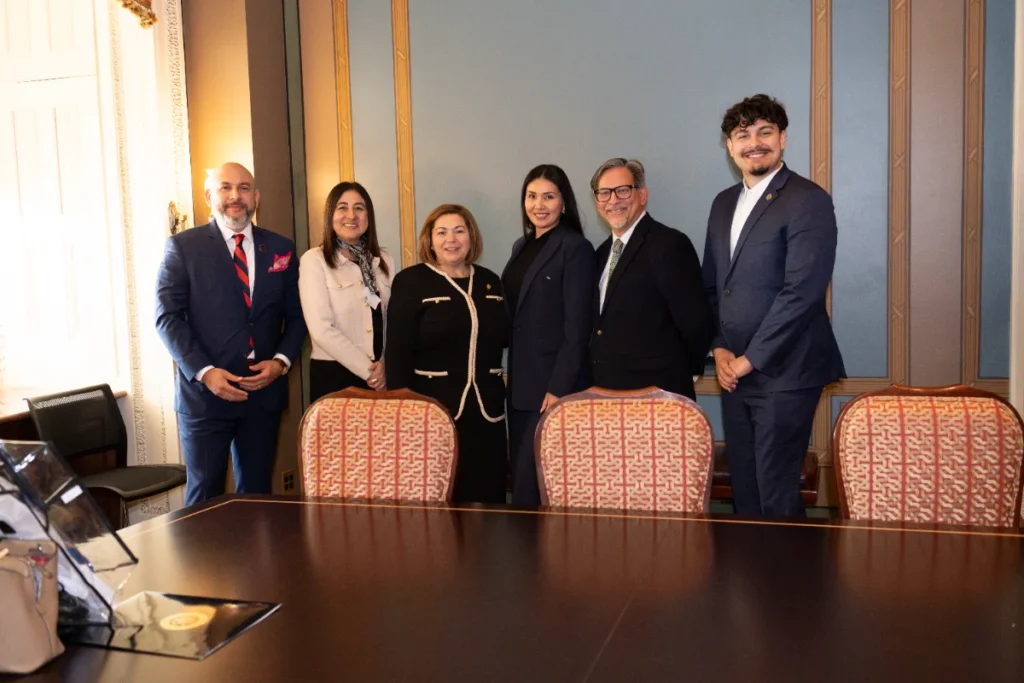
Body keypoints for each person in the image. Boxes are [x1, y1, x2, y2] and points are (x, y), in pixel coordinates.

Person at [702, 94, 846, 517]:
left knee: (777, 495)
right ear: (730, 147)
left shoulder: (807, 200)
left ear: (782, 139)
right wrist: (720, 348)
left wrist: (751, 359)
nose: (754, 143)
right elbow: (713, 286)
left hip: (786, 372)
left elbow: (801, 292)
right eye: (742, 135)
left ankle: (787, 583)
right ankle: (749, 582)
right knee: (745, 491)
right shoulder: (722, 203)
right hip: (734, 372)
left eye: (764, 132)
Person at [155, 162, 307, 505]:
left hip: (262, 396)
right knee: (204, 497)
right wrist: (205, 373)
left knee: (256, 499)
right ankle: (202, 563)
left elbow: (297, 318)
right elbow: (167, 318)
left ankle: (255, 562)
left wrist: (280, 364)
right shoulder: (182, 248)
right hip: (206, 398)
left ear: (256, 197)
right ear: (210, 196)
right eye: (225, 188)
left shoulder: (281, 249)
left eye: (243, 188)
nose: (235, 196)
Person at [385, 204, 509, 504]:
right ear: (429, 240)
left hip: (487, 414)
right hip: (433, 410)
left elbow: (503, 339)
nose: (450, 239)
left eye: (459, 230)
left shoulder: (490, 280)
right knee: (440, 500)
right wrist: (403, 409)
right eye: (441, 232)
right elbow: (397, 352)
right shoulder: (411, 281)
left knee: (489, 498)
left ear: (471, 237)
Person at [501, 164, 594, 505]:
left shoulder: (575, 248)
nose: (539, 205)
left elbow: (578, 327)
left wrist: (559, 387)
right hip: (521, 387)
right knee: (525, 485)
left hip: (553, 388)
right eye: (532, 196)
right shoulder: (519, 247)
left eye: (549, 197)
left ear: (564, 203)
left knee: (544, 485)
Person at [589, 158, 712, 399]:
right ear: (597, 202)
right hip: (606, 392)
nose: (613, 200)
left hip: (658, 394)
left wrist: (686, 374)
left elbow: (696, 322)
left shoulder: (670, 244)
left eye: (623, 191)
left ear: (642, 195)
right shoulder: (600, 254)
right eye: (604, 193)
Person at [299, 182, 395, 403]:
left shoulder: (384, 260)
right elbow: (321, 330)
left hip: (380, 376)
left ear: (368, 216)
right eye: (342, 207)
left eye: (359, 208)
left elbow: (391, 319)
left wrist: (385, 365)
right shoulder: (315, 260)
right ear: (330, 215)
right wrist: (369, 371)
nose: (351, 215)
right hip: (335, 375)